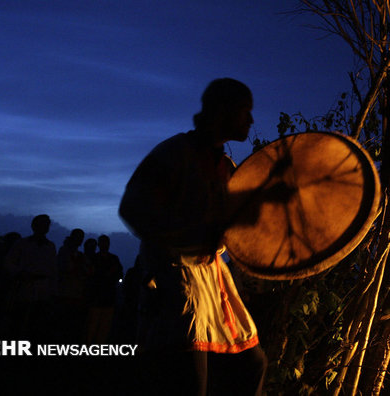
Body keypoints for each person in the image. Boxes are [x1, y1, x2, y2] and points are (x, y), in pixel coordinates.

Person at [119, 78, 266, 395]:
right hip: (177, 279)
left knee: (251, 364)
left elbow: (240, 221)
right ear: (223, 112)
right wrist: (177, 244)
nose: (251, 121)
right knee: (189, 379)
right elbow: (133, 208)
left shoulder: (227, 167)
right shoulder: (173, 154)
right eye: (245, 112)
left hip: (213, 279)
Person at [3, 214, 57, 341]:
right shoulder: (23, 244)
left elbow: (54, 270)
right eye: (42, 224)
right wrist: (20, 273)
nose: (44, 227)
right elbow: (8, 262)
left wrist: (53, 291)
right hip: (25, 287)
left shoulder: (50, 246)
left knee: (36, 323)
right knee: (20, 321)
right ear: (34, 226)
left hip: (42, 288)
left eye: (46, 225)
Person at [85, 234, 123, 344]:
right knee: (94, 326)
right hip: (98, 297)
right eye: (103, 242)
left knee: (103, 327)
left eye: (106, 242)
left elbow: (119, 274)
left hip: (107, 297)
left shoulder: (110, 259)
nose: (105, 245)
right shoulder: (97, 258)